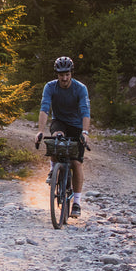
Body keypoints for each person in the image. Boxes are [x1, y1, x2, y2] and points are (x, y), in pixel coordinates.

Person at [35, 55, 90, 216]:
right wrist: (40, 130)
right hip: (59, 121)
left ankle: (77, 203)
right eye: (61, 75)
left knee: (76, 163)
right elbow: (45, 108)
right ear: (57, 74)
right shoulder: (50, 87)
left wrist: (85, 133)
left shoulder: (80, 88)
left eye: (67, 74)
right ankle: (53, 171)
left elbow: (86, 112)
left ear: (71, 73)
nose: (64, 78)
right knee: (56, 140)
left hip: (77, 125)